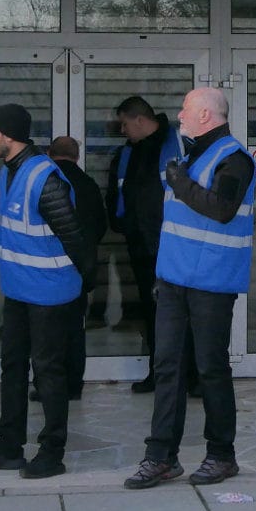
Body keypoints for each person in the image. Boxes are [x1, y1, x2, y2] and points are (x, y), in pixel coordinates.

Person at [124, 87, 256, 489]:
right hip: (174, 280)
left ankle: (221, 455)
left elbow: (221, 208)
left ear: (205, 115)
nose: (178, 116)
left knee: (210, 368)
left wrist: (180, 183)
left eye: (185, 110)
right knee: (167, 367)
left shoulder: (234, 159)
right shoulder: (188, 155)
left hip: (212, 282)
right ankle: (160, 456)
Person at [0, 104, 99, 479]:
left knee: (48, 373)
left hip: (51, 294)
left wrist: (86, 283)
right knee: (12, 367)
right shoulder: (10, 173)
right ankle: (9, 446)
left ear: (9, 135)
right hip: (21, 291)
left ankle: (51, 452)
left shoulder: (44, 176)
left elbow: (75, 235)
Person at [105, 96, 192, 394]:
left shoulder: (178, 144)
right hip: (142, 246)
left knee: (183, 312)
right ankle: (159, 374)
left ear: (140, 120)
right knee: (152, 312)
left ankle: (191, 377)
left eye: (125, 123)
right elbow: (118, 191)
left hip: (174, 243)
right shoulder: (129, 152)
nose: (122, 130)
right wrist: (121, 224)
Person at [46, 136, 107, 400]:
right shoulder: (89, 185)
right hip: (81, 267)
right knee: (74, 328)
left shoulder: (47, 183)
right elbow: (101, 225)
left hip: (49, 267)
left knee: (48, 330)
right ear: (77, 156)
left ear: (50, 154)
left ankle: (51, 385)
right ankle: (73, 384)